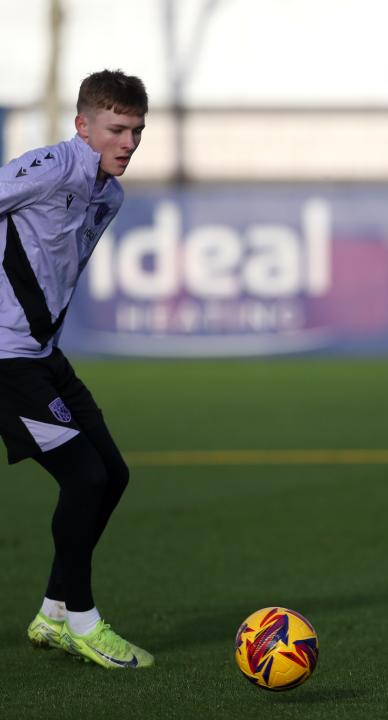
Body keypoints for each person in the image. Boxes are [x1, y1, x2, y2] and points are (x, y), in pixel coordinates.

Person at [0, 69, 153, 669]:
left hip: (41, 357)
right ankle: (84, 622)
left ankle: (53, 613)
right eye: (116, 128)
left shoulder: (108, 195)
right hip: (5, 359)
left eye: (137, 131)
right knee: (84, 479)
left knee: (110, 475)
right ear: (82, 126)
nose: (128, 142)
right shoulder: (55, 166)